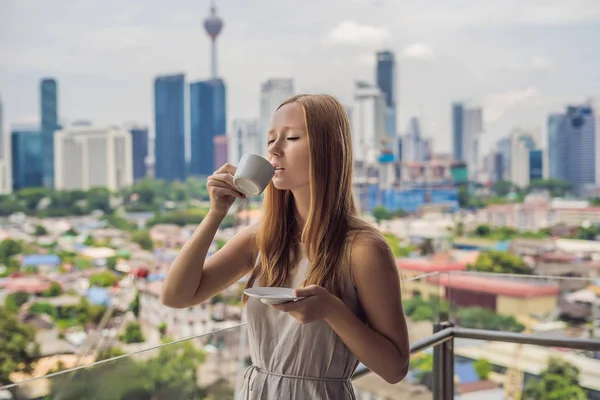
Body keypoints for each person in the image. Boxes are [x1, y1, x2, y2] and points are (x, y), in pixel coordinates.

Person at [161, 94, 410, 399]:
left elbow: (395, 368)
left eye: (291, 137)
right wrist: (216, 213)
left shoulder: (363, 249)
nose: (274, 149)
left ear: (327, 151)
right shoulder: (261, 239)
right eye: (271, 139)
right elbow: (176, 296)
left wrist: (332, 309)